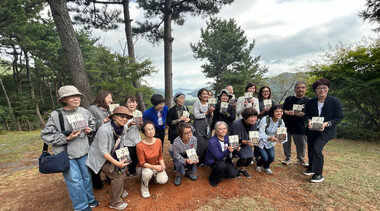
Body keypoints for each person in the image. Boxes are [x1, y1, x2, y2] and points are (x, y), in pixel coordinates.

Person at [41, 85, 98, 211]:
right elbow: (46, 136)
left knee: (86, 177)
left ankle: (90, 199)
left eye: (77, 96)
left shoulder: (83, 111)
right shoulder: (56, 115)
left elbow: (92, 123)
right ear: (64, 99)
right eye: (72, 96)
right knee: (75, 181)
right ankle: (81, 207)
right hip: (66, 154)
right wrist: (66, 138)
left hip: (83, 151)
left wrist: (89, 130)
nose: (76, 98)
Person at [86, 106, 132, 210]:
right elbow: (103, 151)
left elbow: (121, 143)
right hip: (99, 158)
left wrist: (124, 158)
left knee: (123, 170)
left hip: (112, 154)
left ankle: (119, 191)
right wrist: (117, 163)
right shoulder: (104, 129)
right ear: (114, 117)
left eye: (127, 117)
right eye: (122, 116)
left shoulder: (123, 127)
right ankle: (115, 202)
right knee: (117, 175)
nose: (125, 119)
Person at [303, 78, 343, 183]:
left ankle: (318, 174)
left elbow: (339, 117)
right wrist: (309, 121)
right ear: (315, 90)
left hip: (326, 131)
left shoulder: (334, 101)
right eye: (319, 88)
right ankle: (311, 168)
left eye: (324, 88)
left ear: (328, 89)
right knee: (311, 148)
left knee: (317, 149)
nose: (321, 90)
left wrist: (326, 123)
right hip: (312, 129)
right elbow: (306, 115)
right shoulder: (311, 102)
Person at [87, 90, 113, 189]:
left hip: (107, 138)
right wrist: (104, 120)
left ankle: (110, 178)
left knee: (108, 158)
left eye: (111, 98)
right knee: (95, 160)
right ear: (102, 97)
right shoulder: (92, 108)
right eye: (109, 97)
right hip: (95, 140)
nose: (111, 100)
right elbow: (89, 124)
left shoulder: (108, 109)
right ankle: (96, 182)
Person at [136, 121, 168, 198]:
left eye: (152, 129)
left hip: (156, 165)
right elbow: (142, 163)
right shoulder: (140, 146)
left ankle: (154, 177)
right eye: (148, 129)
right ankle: (144, 187)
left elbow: (160, 156)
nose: (151, 131)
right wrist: (155, 167)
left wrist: (162, 165)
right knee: (147, 173)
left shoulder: (158, 141)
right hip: (143, 167)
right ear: (144, 132)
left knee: (163, 180)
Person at [282, 81, 309, 167]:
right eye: (298, 88)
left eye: (302, 88)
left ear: (305, 89)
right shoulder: (289, 99)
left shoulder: (308, 101)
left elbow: (310, 114)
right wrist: (287, 112)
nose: (300, 89)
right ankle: (287, 158)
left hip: (300, 126)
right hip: (287, 125)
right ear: (295, 89)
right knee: (286, 142)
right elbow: (281, 110)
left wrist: (304, 115)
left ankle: (300, 159)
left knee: (301, 144)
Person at [205, 121, 240, 187]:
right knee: (221, 166)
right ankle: (212, 178)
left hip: (225, 159)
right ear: (216, 131)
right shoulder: (212, 142)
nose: (223, 130)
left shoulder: (227, 137)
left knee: (232, 174)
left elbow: (232, 150)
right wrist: (228, 151)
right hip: (214, 160)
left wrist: (236, 149)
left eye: (224, 128)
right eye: (220, 129)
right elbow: (218, 157)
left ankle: (221, 172)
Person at [256, 105, 287, 175]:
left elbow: (283, 134)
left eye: (281, 111)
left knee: (272, 157)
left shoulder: (281, 121)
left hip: (270, 143)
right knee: (265, 157)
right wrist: (270, 138)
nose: (279, 113)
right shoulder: (265, 119)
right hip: (261, 141)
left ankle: (266, 167)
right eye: (277, 111)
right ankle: (258, 165)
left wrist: (281, 138)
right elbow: (260, 134)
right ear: (272, 112)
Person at [230, 107, 259, 178]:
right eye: (251, 117)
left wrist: (253, 143)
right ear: (245, 117)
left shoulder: (255, 123)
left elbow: (254, 137)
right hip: (236, 144)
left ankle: (243, 170)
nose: (253, 119)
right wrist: (243, 141)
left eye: (255, 116)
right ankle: (236, 170)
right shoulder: (236, 124)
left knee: (250, 157)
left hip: (247, 143)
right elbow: (233, 138)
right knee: (243, 157)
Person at [193, 88, 215, 166]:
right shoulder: (197, 104)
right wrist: (207, 112)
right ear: (200, 96)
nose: (206, 95)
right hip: (199, 125)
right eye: (204, 94)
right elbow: (196, 115)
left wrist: (211, 113)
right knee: (200, 144)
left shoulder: (210, 104)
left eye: (207, 94)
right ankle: (200, 160)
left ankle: (207, 160)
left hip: (208, 125)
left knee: (207, 142)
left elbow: (211, 116)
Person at [122, 95, 142, 176]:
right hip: (127, 141)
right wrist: (129, 124)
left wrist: (141, 124)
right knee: (129, 158)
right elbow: (122, 129)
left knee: (137, 157)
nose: (131, 104)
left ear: (136, 104)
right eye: (129, 102)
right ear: (126, 104)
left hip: (137, 140)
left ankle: (135, 170)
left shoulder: (138, 113)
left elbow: (140, 128)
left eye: (133, 102)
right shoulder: (123, 114)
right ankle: (131, 171)